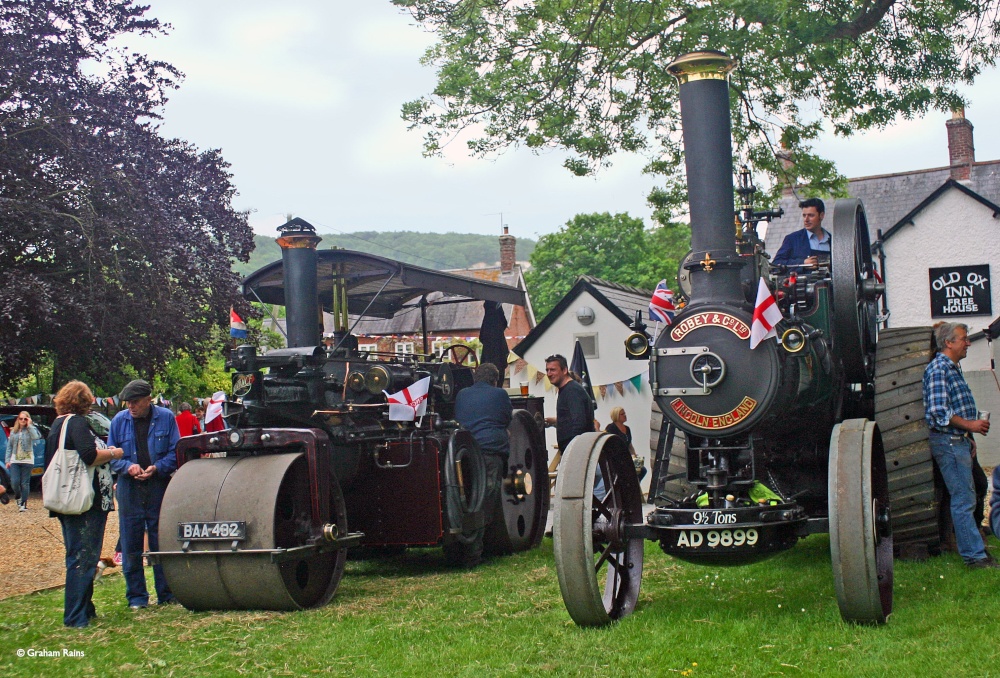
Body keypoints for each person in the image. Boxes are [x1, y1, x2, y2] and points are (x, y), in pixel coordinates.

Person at [45, 380, 124, 627]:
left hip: (64, 498)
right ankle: (75, 616)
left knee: (77, 554)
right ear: (84, 401)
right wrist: (114, 453)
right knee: (84, 557)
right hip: (84, 501)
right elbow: (89, 456)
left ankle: (85, 609)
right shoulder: (78, 423)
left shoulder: (57, 425)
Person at [922, 322, 995, 568]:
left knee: (970, 493)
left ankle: (975, 548)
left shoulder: (952, 368)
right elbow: (937, 412)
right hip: (949, 442)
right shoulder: (939, 369)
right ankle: (974, 557)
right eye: (964, 339)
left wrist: (967, 437)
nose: (968, 342)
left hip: (957, 440)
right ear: (949, 343)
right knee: (963, 500)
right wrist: (970, 426)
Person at [108, 379, 180, 608]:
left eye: (136, 401)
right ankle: (137, 597)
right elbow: (111, 454)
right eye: (128, 402)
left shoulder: (166, 417)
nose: (131, 406)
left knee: (161, 541)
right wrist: (127, 467)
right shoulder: (119, 421)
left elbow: (175, 451)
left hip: (158, 485)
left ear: (149, 399)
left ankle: (166, 594)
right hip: (129, 488)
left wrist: (157, 467)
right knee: (131, 542)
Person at [454, 363, 513, 566]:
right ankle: (474, 552)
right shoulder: (500, 395)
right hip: (489, 451)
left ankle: (463, 546)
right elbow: (506, 419)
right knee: (486, 499)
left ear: (475, 378)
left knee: (468, 498)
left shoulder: (462, 394)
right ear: (495, 380)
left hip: (465, 451)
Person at [543, 354, 595, 453]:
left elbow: (579, 422)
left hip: (578, 452)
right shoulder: (568, 390)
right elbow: (572, 418)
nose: (549, 374)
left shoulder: (572, 391)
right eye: (547, 370)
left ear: (564, 370)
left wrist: (573, 451)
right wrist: (556, 421)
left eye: (553, 370)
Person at [771, 198, 831, 269]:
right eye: (804, 215)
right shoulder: (792, 239)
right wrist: (803, 263)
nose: (806, 220)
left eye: (811, 215)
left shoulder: (833, 241)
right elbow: (775, 265)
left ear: (821, 215)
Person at [6, 411, 41, 511]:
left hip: (27, 460)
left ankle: (23, 504)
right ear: (18, 419)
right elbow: (9, 446)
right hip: (15, 459)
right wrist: (8, 460)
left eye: (25, 419)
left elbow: (35, 437)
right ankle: (18, 495)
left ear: (28, 419)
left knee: (25, 483)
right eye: (20, 418)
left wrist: (30, 425)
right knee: (14, 482)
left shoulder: (31, 430)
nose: (22, 421)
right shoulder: (14, 431)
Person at [604, 407, 646, 482]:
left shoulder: (627, 428)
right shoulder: (611, 428)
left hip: (627, 457)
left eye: (624, 413)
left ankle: (634, 486)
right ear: (616, 416)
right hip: (617, 459)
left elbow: (629, 444)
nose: (625, 415)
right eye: (622, 414)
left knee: (642, 470)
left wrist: (634, 455)